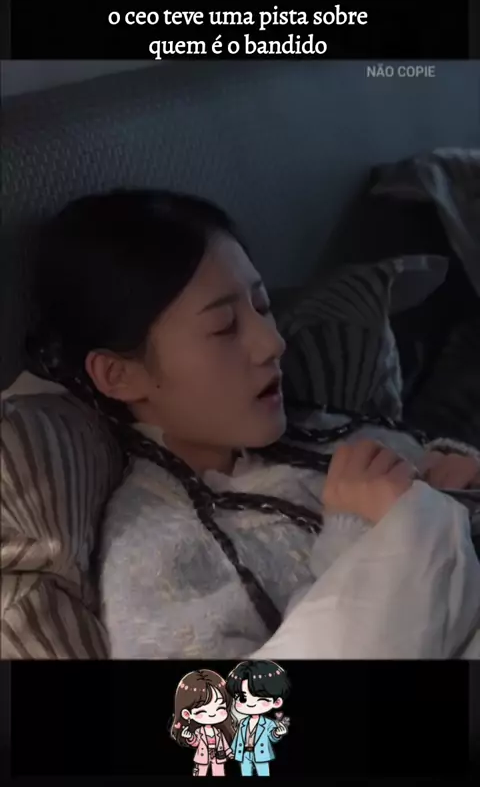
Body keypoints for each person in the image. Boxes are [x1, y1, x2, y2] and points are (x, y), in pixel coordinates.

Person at [26, 189, 480, 659]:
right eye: (224, 327)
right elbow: (233, 709)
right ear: (119, 375)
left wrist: (458, 474)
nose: (272, 343)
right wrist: (363, 539)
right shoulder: (156, 553)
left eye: (261, 307)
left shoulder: (318, 429)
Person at [227, 660, 290, 777]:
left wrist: (277, 733)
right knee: (245, 773)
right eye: (242, 698)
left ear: (276, 702)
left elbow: (272, 736)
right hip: (244, 753)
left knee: (263, 773)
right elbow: (238, 738)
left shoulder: (268, 723)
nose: (250, 704)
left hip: (261, 753)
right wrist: (232, 751)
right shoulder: (243, 722)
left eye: (260, 698)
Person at [170, 669, 235, 776]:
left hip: (218, 756)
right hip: (203, 756)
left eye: (220, 708)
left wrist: (229, 753)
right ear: (187, 714)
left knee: (219, 772)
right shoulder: (200, 731)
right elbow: (196, 742)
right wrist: (190, 737)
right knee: (201, 772)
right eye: (202, 711)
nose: (212, 714)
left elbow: (224, 744)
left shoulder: (218, 732)